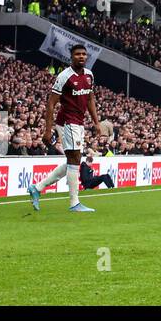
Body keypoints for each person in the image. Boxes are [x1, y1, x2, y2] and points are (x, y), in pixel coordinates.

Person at [27, 44, 108, 213]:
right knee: (75, 159)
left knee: (73, 160)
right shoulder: (65, 76)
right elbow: (51, 103)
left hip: (78, 122)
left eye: (84, 54)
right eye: (78, 54)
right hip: (67, 121)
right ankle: (74, 203)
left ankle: (37, 187)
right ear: (71, 57)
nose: (81, 57)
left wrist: (96, 122)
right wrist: (48, 130)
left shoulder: (89, 75)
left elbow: (90, 99)